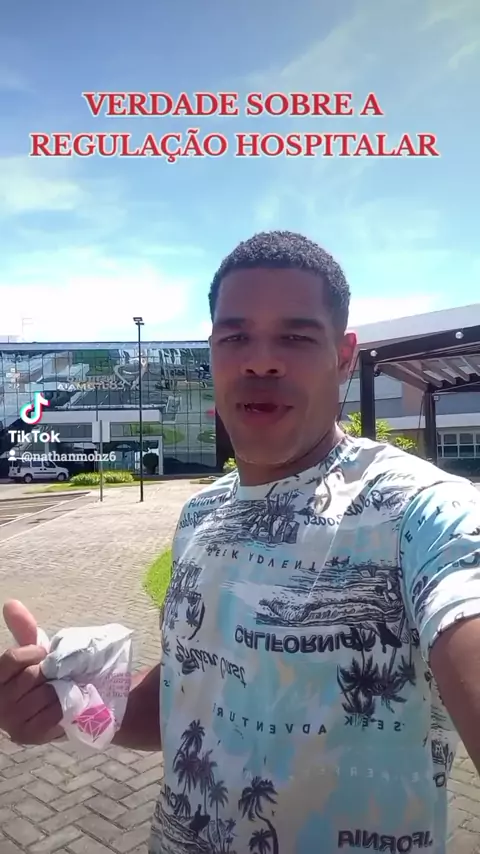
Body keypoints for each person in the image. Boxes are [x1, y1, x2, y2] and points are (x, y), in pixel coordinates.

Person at [1, 230, 480, 854]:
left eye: (295, 337)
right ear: (213, 353)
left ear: (343, 357)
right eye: (235, 337)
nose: (261, 362)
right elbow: (191, 693)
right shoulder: (200, 514)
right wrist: (67, 705)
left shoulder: (423, 510)